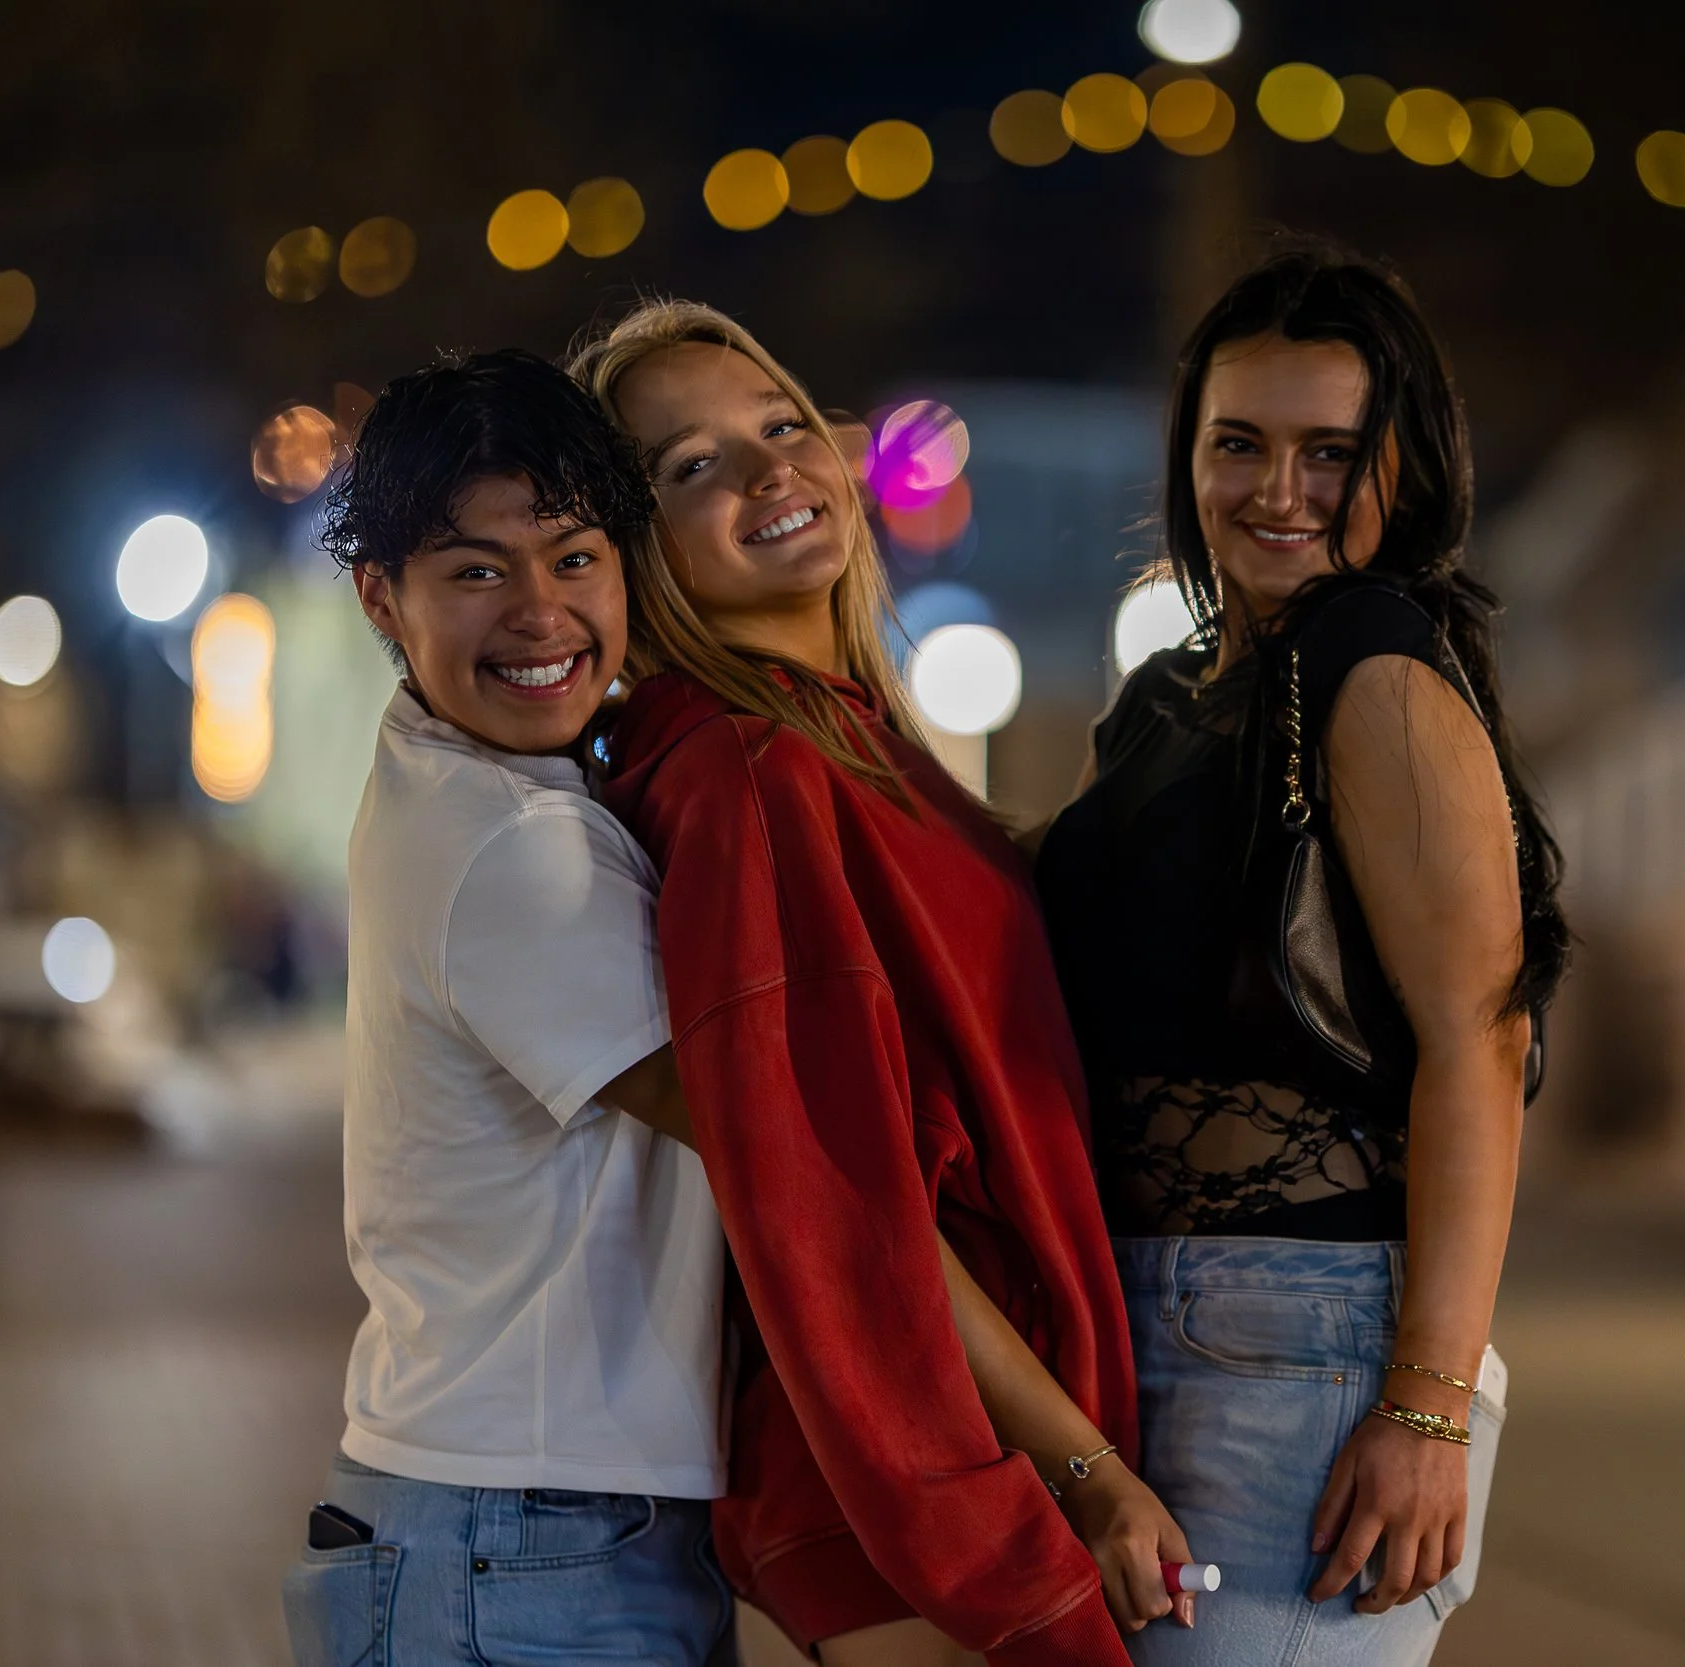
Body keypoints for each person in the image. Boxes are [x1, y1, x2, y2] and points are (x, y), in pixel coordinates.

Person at [570, 302, 1190, 1667]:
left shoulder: (849, 741)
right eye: (690, 468)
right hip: (912, 1481)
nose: (767, 471)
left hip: (982, 1437)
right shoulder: (745, 776)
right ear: (628, 553)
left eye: (782, 425)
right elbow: (843, 1205)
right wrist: (1078, 1470)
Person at [1034, 246, 1572, 1665]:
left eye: (1330, 453)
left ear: (1408, 469)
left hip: (1309, 1347)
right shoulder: (1173, 695)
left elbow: (1483, 1034)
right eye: (1240, 445)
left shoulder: (1374, 663)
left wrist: (1426, 1403)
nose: (1278, 492)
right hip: (1131, 1321)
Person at [283, 349, 734, 1667]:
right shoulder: (511, 845)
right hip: (523, 1536)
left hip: (495, 1515)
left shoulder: (445, 770)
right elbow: (748, 1117)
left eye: (574, 556)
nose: (542, 613)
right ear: (383, 595)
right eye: (477, 571)